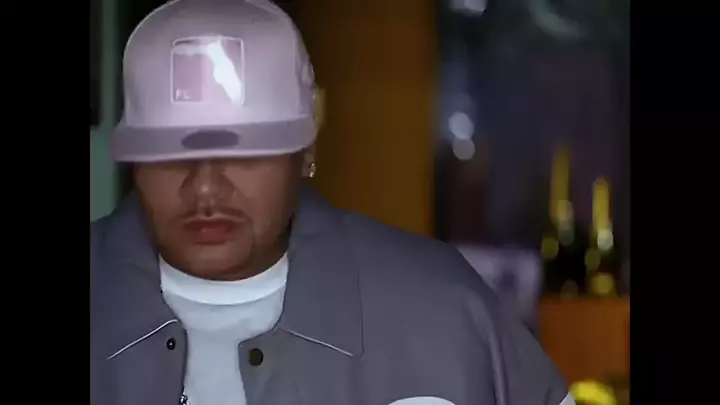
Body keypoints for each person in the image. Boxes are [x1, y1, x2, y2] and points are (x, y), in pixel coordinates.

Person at [90, 1, 575, 404]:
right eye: (169, 158)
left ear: (305, 153)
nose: (205, 190)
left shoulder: (443, 308)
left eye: (244, 156)